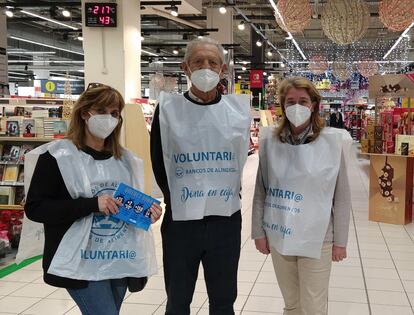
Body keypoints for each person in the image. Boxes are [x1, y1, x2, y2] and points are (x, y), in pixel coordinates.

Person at [24, 84, 162, 315]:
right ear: (85, 113)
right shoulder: (58, 156)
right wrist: (91, 204)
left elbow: (125, 205)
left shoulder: (126, 160)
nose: (109, 118)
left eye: (115, 113)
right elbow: (36, 208)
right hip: (79, 261)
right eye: (102, 111)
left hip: (119, 258)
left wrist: (146, 212)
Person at [150, 37, 251, 315]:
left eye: (213, 62)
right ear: (186, 68)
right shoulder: (167, 110)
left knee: (223, 299)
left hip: (225, 221)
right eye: (198, 62)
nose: (206, 67)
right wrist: (177, 198)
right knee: (178, 299)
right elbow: (160, 162)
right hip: (182, 221)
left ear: (223, 69)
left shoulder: (237, 112)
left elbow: (239, 160)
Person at [252, 77, 351, 315]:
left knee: (313, 304)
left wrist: (340, 241)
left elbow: (342, 196)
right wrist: (258, 232)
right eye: (291, 101)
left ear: (314, 104)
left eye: (303, 101)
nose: (297, 106)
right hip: (280, 232)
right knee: (292, 302)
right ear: (283, 106)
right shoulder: (271, 142)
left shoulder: (330, 142)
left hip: (318, 237)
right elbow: (260, 190)